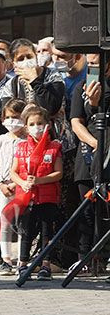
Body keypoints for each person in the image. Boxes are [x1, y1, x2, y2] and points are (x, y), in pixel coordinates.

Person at [10, 104, 63, 280]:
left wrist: (40, 180)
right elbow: (13, 172)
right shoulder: (21, 146)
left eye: (40, 123)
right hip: (26, 196)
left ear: (47, 124)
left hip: (47, 197)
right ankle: (23, 264)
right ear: (26, 127)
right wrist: (23, 182)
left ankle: (45, 264)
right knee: (26, 231)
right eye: (32, 124)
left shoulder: (54, 147)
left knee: (47, 232)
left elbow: (58, 173)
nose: (36, 127)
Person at [70, 58, 110, 270]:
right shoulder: (81, 86)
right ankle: (85, 258)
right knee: (87, 211)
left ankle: (104, 257)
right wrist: (97, 143)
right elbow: (76, 122)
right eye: (91, 62)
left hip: (108, 153)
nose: (94, 66)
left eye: (98, 61)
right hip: (89, 153)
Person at [0, 99, 26, 275]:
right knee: (4, 223)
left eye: (17, 117)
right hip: (3, 186)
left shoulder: (27, 140)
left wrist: (16, 183)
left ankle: (21, 259)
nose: (12, 121)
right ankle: (6, 259)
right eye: (9, 117)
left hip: (20, 186)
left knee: (21, 223)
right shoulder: (0, 140)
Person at [2, 38, 65, 115]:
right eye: (21, 59)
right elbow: (7, 114)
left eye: (29, 57)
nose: (26, 61)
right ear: (14, 63)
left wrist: (34, 80)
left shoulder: (53, 76)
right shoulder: (11, 85)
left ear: (35, 55)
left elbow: (51, 108)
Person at [51, 45, 88, 116]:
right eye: (54, 54)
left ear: (77, 57)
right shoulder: (52, 73)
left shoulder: (89, 73)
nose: (56, 60)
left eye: (62, 56)